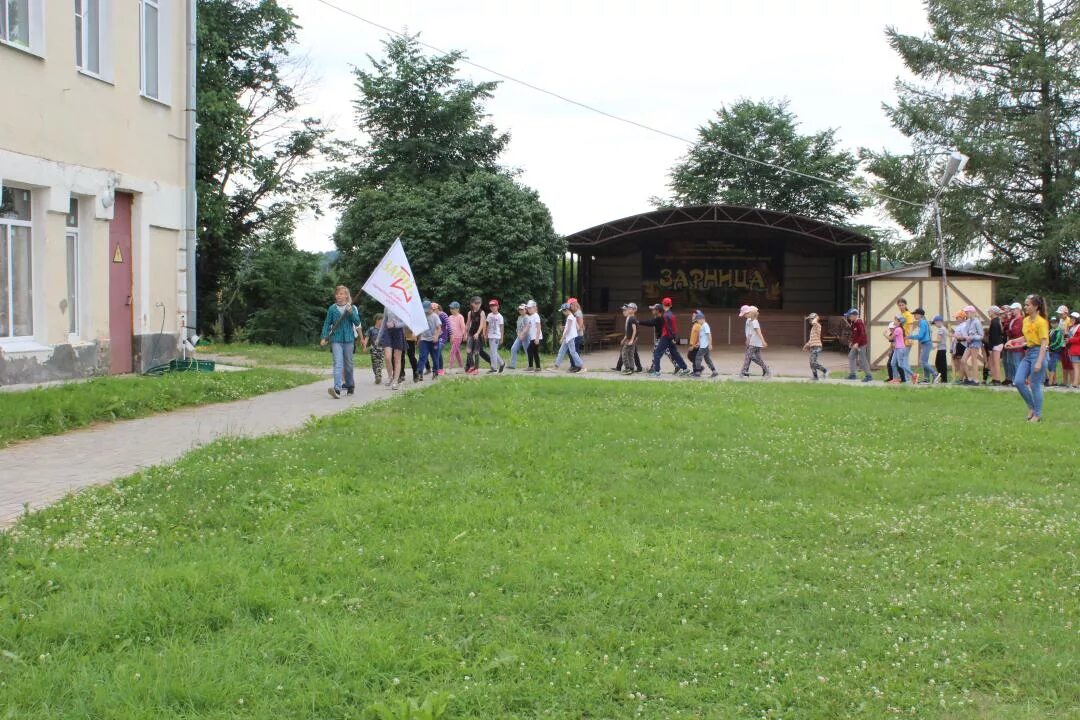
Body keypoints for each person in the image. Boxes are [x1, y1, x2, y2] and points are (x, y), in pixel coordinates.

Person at [1007, 294, 1049, 422]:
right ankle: (1031, 407)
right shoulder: (1025, 320)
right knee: (1019, 381)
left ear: (1036, 306)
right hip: (1029, 352)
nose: (1025, 307)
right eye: (1024, 304)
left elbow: (1044, 343)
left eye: (1027, 304)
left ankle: (1037, 414)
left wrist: (1039, 362)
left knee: (1035, 384)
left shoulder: (1042, 322)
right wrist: (1013, 341)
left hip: (1039, 353)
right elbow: (1026, 337)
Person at [320, 285, 363, 398]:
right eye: (337, 293)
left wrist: (351, 313)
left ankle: (350, 385)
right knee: (338, 364)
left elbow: (357, 322)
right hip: (336, 340)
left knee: (348, 365)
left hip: (349, 340)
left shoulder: (351, 307)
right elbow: (326, 323)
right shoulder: (332, 309)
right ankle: (337, 389)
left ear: (346, 296)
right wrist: (324, 337)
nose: (339, 295)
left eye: (341, 294)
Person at [648, 297, 689, 377]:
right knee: (675, 353)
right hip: (670, 337)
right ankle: (685, 369)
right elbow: (673, 328)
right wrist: (674, 337)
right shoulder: (671, 314)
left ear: (663, 305)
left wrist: (672, 338)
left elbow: (668, 328)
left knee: (657, 353)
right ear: (670, 305)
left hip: (666, 337)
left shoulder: (665, 315)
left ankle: (657, 371)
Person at [739, 305, 771, 378]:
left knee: (748, 356)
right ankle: (766, 369)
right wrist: (748, 339)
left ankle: (743, 372)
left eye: (745, 314)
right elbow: (750, 332)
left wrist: (763, 341)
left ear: (750, 314)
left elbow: (758, 332)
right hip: (753, 343)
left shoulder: (755, 322)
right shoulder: (750, 321)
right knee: (757, 358)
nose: (744, 316)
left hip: (754, 343)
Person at [379, 307, 406, 391]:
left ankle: (395, 381)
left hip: (398, 332)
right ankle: (390, 376)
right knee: (387, 357)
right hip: (388, 332)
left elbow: (406, 323)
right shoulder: (387, 306)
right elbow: (384, 322)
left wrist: (396, 324)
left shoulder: (402, 306)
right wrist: (378, 337)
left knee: (397, 358)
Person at [551, 302, 584, 372]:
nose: (563, 313)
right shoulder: (572, 316)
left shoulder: (569, 317)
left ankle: (582, 367)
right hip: (568, 338)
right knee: (561, 351)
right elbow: (577, 328)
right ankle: (556, 366)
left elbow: (569, 329)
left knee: (573, 352)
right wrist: (566, 327)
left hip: (569, 338)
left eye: (563, 311)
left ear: (566, 310)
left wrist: (563, 337)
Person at [416, 300, 442, 383]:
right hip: (424, 340)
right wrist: (419, 339)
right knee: (422, 356)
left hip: (434, 340)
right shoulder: (422, 316)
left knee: (435, 357)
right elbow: (421, 329)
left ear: (431, 308)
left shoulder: (435, 316)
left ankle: (435, 372)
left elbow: (439, 328)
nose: (426, 312)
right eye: (424, 310)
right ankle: (419, 373)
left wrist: (436, 336)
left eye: (427, 310)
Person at [844, 308, 873, 382]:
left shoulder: (859, 322)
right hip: (856, 344)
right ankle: (853, 375)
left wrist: (857, 343)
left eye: (849, 316)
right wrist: (852, 342)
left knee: (862, 360)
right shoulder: (853, 323)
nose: (848, 317)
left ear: (855, 315)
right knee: (851, 356)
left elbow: (862, 334)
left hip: (861, 344)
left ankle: (869, 376)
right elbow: (855, 334)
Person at [614, 303, 643, 373]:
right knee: (630, 354)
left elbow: (635, 330)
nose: (623, 312)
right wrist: (624, 339)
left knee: (625, 353)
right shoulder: (629, 318)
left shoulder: (632, 318)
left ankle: (628, 368)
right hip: (629, 339)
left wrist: (632, 340)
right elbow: (628, 332)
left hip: (631, 340)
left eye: (625, 310)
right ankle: (631, 368)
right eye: (623, 310)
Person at [909, 308, 933, 383]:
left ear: (920, 315)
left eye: (915, 314)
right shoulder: (923, 322)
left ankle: (935, 374)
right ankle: (926, 378)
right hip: (925, 343)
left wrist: (910, 336)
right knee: (924, 362)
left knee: (923, 362)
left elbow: (920, 336)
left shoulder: (922, 322)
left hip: (926, 343)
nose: (914, 316)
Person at [464, 296, 487, 376]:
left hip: (478, 334)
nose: (477, 305)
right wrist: (465, 333)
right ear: (472, 304)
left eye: (479, 303)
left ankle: (476, 369)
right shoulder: (470, 312)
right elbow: (467, 324)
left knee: (476, 351)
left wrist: (478, 333)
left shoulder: (482, 312)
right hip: (471, 333)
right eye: (476, 303)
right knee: (468, 350)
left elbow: (481, 324)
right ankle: (472, 366)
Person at [803, 312, 828, 380]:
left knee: (813, 362)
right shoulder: (813, 328)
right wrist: (806, 345)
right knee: (811, 362)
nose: (809, 321)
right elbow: (811, 340)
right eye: (809, 320)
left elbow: (814, 322)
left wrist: (816, 317)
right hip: (812, 347)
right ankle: (815, 376)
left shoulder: (817, 325)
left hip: (817, 347)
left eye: (810, 319)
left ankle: (825, 370)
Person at [1003, 302, 1024, 385]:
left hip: (1017, 344)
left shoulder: (1021, 319)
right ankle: (1012, 379)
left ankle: (1018, 379)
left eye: (1013, 309)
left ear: (1018, 309)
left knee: (1016, 362)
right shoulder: (1013, 319)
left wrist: (1009, 332)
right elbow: (1006, 328)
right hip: (1011, 342)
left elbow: (1016, 331)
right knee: (1010, 362)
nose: (1012, 311)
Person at [692, 310, 717, 377]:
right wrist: (699, 343)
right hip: (703, 345)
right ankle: (714, 371)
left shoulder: (705, 325)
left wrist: (710, 344)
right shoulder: (702, 325)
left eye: (698, 320)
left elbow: (709, 335)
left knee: (698, 358)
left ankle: (697, 372)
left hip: (704, 346)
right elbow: (702, 336)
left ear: (702, 319)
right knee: (707, 359)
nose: (698, 322)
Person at [887, 315, 910, 384]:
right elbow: (893, 340)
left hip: (900, 349)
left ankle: (913, 375)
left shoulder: (898, 329)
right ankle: (895, 379)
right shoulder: (898, 329)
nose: (894, 321)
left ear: (899, 322)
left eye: (895, 320)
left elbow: (891, 338)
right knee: (892, 363)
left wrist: (885, 334)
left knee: (900, 365)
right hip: (897, 349)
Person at [486, 299, 506, 373]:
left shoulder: (500, 316)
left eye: (494, 306)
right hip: (490, 335)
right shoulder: (489, 315)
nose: (492, 307)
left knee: (493, 352)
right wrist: (486, 333)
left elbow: (502, 327)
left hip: (496, 336)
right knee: (492, 352)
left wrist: (502, 338)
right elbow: (488, 325)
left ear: (497, 306)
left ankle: (494, 367)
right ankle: (502, 363)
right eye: (491, 306)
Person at [987, 306, 1005, 385]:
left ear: (993, 312)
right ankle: (995, 378)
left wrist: (990, 347)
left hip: (996, 344)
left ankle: (997, 379)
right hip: (997, 343)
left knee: (996, 363)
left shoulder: (994, 322)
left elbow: (993, 336)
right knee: (994, 363)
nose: (988, 312)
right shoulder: (996, 320)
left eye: (989, 311)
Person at [447, 301, 467, 371]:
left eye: (453, 308)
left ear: (457, 309)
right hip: (452, 337)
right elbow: (449, 328)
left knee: (453, 351)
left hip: (458, 337)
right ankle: (461, 366)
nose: (451, 310)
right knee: (457, 352)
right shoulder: (450, 317)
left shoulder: (460, 317)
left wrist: (464, 335)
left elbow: (463, 327)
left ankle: (450, 367)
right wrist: (450, 336)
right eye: (451, 308)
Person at [366, 313, 385, 385]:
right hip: (373, 349)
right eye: (381, 320)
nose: (383, 322)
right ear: (377, 320)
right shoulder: (371, 329)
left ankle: (378, 376)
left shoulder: (384, 330)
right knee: (374, 364)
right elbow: (367, 337)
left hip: (382, 348)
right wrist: (365, 346)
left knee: (380, 363)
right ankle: (377, 375)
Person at [508, 303, 529, 369]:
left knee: (527, 351)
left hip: (526, 336)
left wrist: (522, 335)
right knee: (513, 348)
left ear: (526, 310)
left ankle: (530, 365)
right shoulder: (519, 317)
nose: (520, 311)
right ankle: (512, 365)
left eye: (522, 309)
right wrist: (519, 335)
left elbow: (527, 328)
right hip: (519, 336)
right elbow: (518, 328)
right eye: (519, 309)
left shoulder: (527, 317)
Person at [524, 300, 543, 372]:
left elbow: (538, 327)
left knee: (529, 350)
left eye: (530, 308)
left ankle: (531, 366)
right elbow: (528, 326)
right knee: (535, 352)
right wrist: (523, 333)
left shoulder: (536, 316)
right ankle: (538, 367)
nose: (528, 309)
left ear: (534, 308)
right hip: (533, 337)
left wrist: (537, 338)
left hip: (537, 337)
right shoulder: (530, 316)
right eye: (528, 308)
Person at [951, 309, 968, 384]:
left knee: (962, 362)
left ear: (962, 317)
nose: (956, 319)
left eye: (957, 317)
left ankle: (963, 378)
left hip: (962, 345)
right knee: (958, 362)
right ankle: (965, 378)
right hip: (957, 345)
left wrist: (956, 337)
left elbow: (964, 337)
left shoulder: (964, 326)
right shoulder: (959, 326)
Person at [433, 302, 450, 376]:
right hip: (435, 337)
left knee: (438, 350)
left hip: (443, 337)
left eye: (434, 309)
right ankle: (439, 369)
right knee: (437, 352)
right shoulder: (432, 316)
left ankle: (439, 369)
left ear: (438, 308)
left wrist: (452, 335)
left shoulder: (443, 315)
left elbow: (449, 325)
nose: (433, 311)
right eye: (432, 309)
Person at [567, 298, 586, 369]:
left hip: (577, 335)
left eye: (570, 305)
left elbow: (580, 325)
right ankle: (573, 365)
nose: (569, 307)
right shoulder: (575, 313)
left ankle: (577, 366)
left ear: (574, 304)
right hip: (575, 335)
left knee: (574, 351)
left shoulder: (578, 313)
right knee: (572, 351)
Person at [1047, 316, 1065, 386]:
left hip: (1056, 351)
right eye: (1051, 322)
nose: (1053, 324)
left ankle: (1050, 382)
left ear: (1057, 323)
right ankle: (1054, 381)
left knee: (1052, 365)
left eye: (1054, 323)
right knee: (1049, 365)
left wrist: (1049, 347)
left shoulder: (1059, 331)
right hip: (1049, 350)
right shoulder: (1050, 331)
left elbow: (1058, 342)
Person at [931, 314, 949, 383]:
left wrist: (930, 340)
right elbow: (941, 341)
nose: (935, 325)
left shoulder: (941, 329)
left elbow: (939, 340)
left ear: (938, 321)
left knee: (939, 364)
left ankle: (943, 379)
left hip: (942, 349)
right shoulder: (943, 328)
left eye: (935, 323)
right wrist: (935, 347)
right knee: (940, 364)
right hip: (941, 348)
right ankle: (943, 378)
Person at [1066, 311, 1080, 388]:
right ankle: (1076, 382)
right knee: (1076, 366)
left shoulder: (1078, 327)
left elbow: (1078, 339)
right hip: (1074, 349)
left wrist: (1070, 340)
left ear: (1076, 319)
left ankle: (1075, 383)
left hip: (1076, 349)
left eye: (1072, 318)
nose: (1071, 319)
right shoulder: (1073, 327)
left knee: (1076, 366)